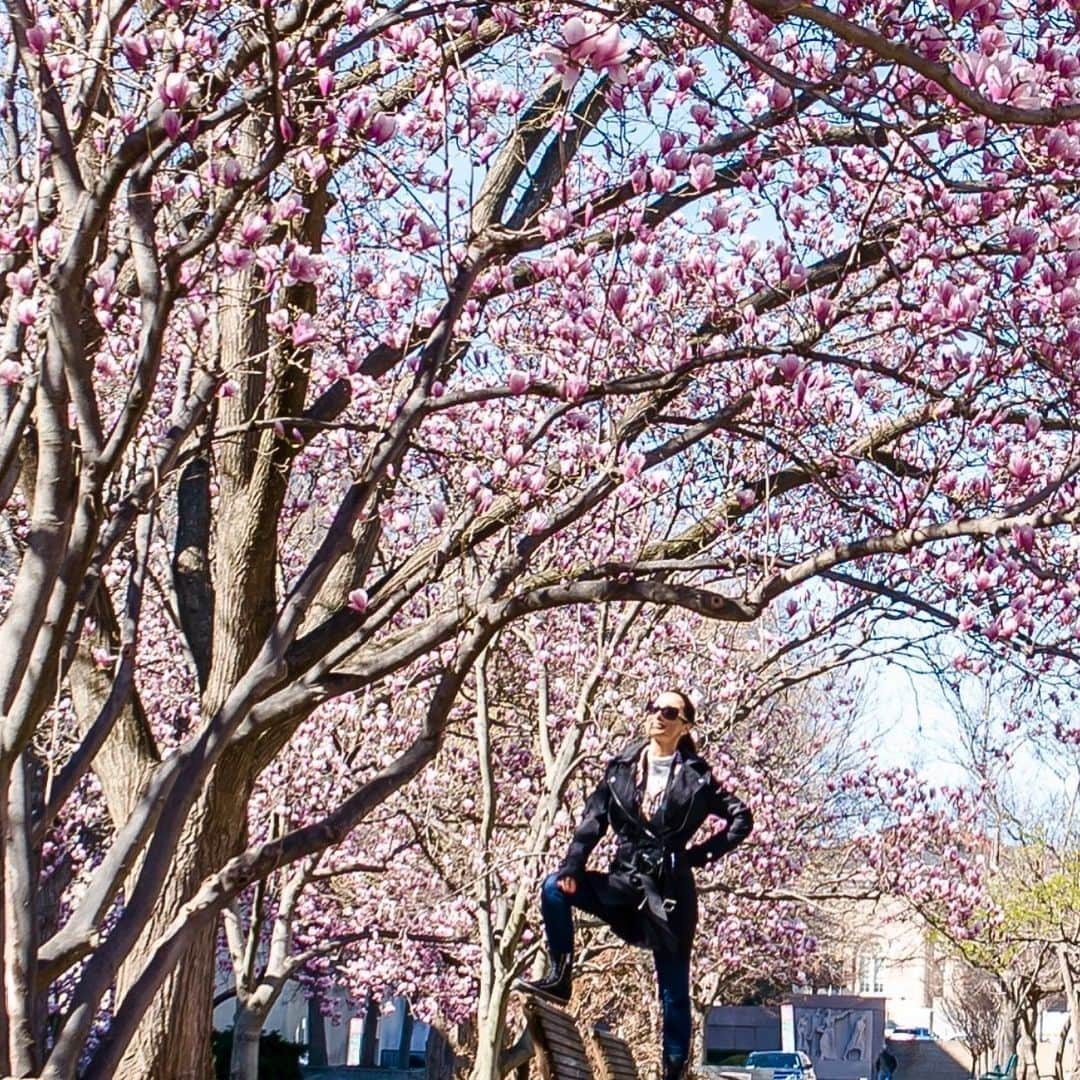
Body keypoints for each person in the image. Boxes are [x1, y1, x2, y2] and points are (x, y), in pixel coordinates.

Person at [517, 690, 753, 1080]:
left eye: (669, 712)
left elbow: (741, 819)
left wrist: (695, 857)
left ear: (685, 725)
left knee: (673, 992)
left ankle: (672, 1071)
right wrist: (574, 865)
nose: (658, 717)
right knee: (553, 889)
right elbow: (592, 821)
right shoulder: (621, 768)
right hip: (623, 882)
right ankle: (560, 976)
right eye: (653, 708)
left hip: (670, 896)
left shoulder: (698, 777)